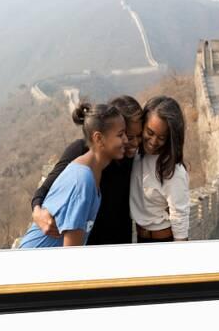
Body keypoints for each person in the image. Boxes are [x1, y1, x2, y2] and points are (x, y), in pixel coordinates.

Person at [30, 96, 143, 245]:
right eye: (125, 135)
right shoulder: (81, 159)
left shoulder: (131, 158)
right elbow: (47, 188)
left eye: (139, 136)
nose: (132, 142)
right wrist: (37, 213)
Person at [130, 96, 190, 243]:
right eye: (149, 132)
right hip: (140, 238)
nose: (153, 142)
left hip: (163, 241)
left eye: (162, 137)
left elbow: (179, 217)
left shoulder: (173, 171)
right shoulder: (135, 155)